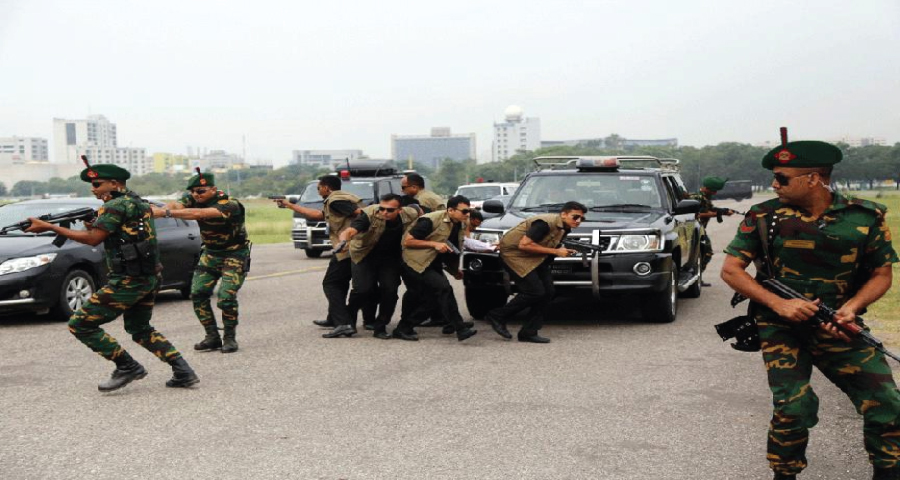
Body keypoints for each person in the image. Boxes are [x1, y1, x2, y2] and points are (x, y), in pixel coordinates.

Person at [720, 132, 900, 480]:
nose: (774, 184)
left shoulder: (865, 216)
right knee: (793, 407)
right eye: (774, 176)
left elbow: (882, 274)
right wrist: (778, 305)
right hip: (781, 325)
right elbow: (731, 269)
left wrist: (852, 308)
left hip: (837, 323)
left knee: (888, 403)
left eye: (782, 178)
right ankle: (784, 474)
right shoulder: (763, 216)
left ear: (814, 178)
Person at [24, 163, 198, 392]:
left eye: (97, 184)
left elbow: (93, 239)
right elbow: (122, 232)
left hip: (128, 281)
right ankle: (183, 371)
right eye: (92, 185)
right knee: (140, 329)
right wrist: (93, 224)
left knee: (81, 323)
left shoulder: (114, 206)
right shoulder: (138, 202)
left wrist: (49, 227)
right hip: (149, 277)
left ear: (115, 184)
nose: (93, 189)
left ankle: (127, 366)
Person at [151, 169, 249, 353]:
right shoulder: (193, 198)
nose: (196, 195)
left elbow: (198, 214)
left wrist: (165, 214)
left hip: (234, 255)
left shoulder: (229, 204)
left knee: (226, 298)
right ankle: (212, 336)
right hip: (211, 253)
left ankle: (229, 338)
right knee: (198, 294)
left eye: (201, 191)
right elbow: (178, 205)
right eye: (193, 191)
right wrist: (161, 209)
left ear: (214, 189)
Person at [484, 202, 586, 343]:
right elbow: (524, 244)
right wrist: (556, 251)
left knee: (548, 292)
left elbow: (547, 243)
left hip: (535, 257)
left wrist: (563, 249)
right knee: (534, 291)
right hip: (514, 255)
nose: (579, 221)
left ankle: (529, 332)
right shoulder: (544, 223)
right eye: (575, 217)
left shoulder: (565, 227)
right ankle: (497, 315)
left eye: (582, 219)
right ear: (563, 214)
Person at [275, 175, 361, 336]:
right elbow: (317, 215)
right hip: (347, 248)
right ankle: (333, 318)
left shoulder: (337, 201)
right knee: (339, 283)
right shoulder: (335, 201)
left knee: (330, 284)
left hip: (347, 248)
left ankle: (343, 323)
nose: (318, 190)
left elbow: (360, 214)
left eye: (319, 187)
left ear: (326, 188)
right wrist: (289, 205)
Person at [332, 193, 422, 339]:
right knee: (362, 289)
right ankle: (348, 322)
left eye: (390, 210)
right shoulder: (370, 214)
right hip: (365, 255)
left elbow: (418, 210)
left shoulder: (409, 213)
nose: (385, 212)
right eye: (382, 208)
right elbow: (350, 230)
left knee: (390, 290)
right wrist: (343, 241)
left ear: (400, 210)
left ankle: (380, 326)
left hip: (390, 259)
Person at [392, 195, 477, 342]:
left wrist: (454, 271)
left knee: (441, 293)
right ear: (450, 210)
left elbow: (453, 248)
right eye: (464, 211)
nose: (468, 215)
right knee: (441, 290)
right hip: (416, 262)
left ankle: (454, 324)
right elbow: (408, 241)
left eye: (469, 211)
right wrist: (434, 244)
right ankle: (405, 327)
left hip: (432, 262)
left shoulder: (460, 223)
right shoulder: (430, 220)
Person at [691, 176, 735, 286]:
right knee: (707, 252)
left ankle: (697, 278)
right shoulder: (697, 197)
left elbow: (708, 209)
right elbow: (697, 214)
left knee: (703, 253)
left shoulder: (705, 197)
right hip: (694, 230)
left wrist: (722, 211)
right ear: (706, 188)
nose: (714, 193)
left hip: (700, 230)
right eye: (713, 190)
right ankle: (695, 278)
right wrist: (718, 214)